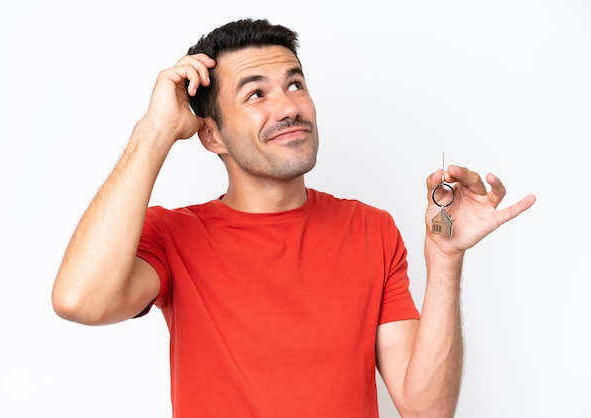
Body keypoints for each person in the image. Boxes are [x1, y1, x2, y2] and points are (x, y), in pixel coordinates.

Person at [51, 18, 536, 417]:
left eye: (295, 84)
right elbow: (78, 300)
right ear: (212, 135)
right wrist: (154, 130)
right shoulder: (173, 236)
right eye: (256, 94)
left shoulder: (371, 229)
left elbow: (427, 410)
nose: (289, 106)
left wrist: (445, 257)